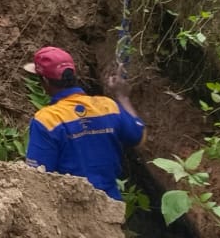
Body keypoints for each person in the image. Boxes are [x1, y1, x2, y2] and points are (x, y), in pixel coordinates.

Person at [24, 46, 144, 201]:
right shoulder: (107, 106)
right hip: (111, 207)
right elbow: (139, 137)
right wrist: (123, 97)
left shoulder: (47, 120)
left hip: (71, 213)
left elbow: (36, 178)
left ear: (45, 80)